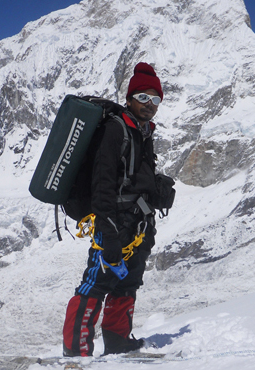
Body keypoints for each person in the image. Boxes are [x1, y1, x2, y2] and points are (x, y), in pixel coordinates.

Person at [62, 62, 163, 357]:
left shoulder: (143, 132)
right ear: (130, 98)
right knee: (96, 282)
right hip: (114, 221)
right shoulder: (114, 130)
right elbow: (102, 184)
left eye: (155, 99)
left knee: (128, 282)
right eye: (143, 97)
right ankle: (76, 351)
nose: (149, 105)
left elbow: (133, 179)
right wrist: (108, 231)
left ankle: (118, 341)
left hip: (139, 221)